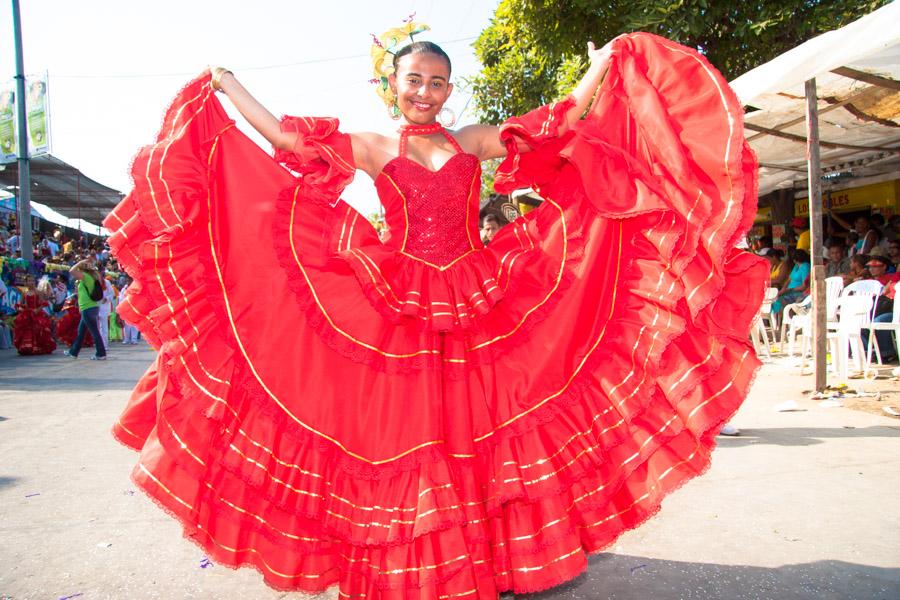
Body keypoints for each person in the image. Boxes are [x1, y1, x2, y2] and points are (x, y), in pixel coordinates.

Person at [104, 29, 767, 597]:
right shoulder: (372, 146)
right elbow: (284, 138)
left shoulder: (472, 140)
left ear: (450, 90)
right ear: (393, 84)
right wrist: (227, 83)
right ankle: (415, 570)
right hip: (400, 305)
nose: (426, 91)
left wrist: (606, 61)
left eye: (438, 82)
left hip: (480, 295)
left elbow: (558, 120)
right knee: (411, 440)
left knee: (483, 431)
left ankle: (488, 561)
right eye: (415, 80)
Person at [64, 257, 106, 360]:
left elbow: (71, 271)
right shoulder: (92, 276)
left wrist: (80, 262)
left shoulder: (86, 277)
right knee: (81, 331)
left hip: (88, 307)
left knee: (94, 331)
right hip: (90, 307)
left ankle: (101, 353)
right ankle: (73, 352)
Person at [772, 249, 811, 318]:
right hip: (789, 291)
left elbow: (804, 286)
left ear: (794, 260)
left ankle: (788, 320)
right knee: (775, 300)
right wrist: (783, 290)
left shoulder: (805, 266)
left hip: (798, 292)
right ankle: (778, 321)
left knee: (781, 300)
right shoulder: (796, 266)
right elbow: (789, 280)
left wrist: (790, 289)